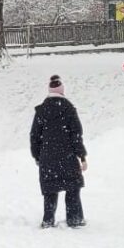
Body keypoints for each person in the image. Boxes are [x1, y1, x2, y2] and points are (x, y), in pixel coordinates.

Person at [29, 73, 86, 228]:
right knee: (72, 188)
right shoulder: (68, 109)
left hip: (47, 157)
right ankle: (74, 219)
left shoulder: (42, 110)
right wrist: (82, 156)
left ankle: (48, 220)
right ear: (62, 91)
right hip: (67, 156)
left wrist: (37, 156)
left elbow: (34, 135)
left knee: (50, 190)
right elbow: (76, 135)